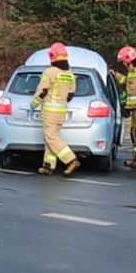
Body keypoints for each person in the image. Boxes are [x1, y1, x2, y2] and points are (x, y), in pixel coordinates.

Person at [30, 42, 80, 176]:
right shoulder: (70, 74)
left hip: (50, 112)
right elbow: (71, 95)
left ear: (52, 56)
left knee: (51, 138)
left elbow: (42, 90)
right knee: (50, 138)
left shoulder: (49, 72)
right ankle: (48, 166)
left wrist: (34, 103)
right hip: (61, 112)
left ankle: (71, 160)